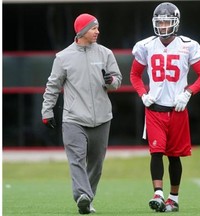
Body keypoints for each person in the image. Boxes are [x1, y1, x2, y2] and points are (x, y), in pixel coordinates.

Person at [130, 2, 200, 213]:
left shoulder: (188, 45)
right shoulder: (146, 45)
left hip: (177, 109)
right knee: (156, 152)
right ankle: (158, 194)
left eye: (167, 21)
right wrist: (143, 94)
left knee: (174, 155)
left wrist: (188, 92)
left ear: (176, 23)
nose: (163, 26)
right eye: (160, 22)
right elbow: (134, 75)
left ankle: (173, 199)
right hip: (154, 108)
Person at [41, 13, 122, 214]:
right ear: (82, 31)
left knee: (96, 165)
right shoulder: (63, 57)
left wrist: (111, 81)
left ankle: (87, 200)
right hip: (73, 119)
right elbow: (52, 86)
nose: (97, 31)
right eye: (94, 28)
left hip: (102, 119)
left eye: (97, 28)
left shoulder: (105, 54)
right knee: (76, 159)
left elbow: (117, 80)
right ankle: (82, 195)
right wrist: (47, 111)